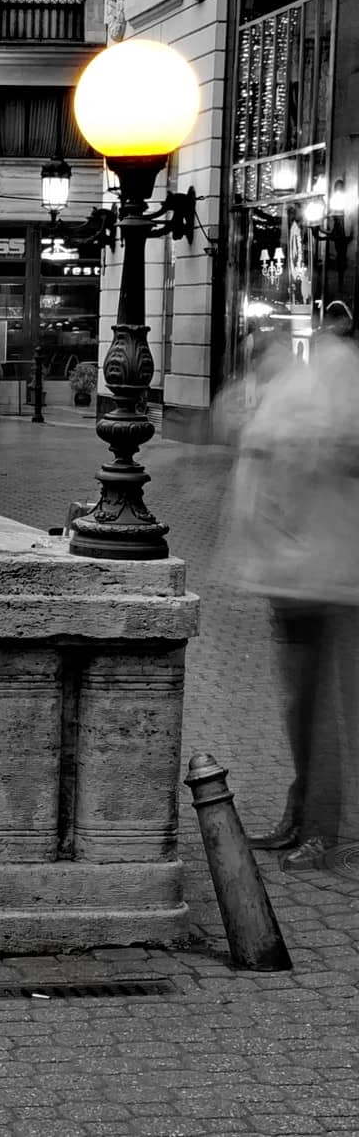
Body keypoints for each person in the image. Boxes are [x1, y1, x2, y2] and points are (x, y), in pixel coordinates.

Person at [216, 312, 359, 870]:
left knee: (327, 708)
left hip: (329, 575)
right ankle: (303, 814)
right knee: (304, 703)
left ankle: (330, 829)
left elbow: (340, 455)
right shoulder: (298, 384)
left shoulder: (338, 380)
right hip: (292, 575)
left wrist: (311, 452)